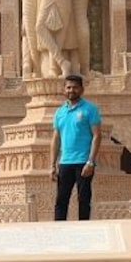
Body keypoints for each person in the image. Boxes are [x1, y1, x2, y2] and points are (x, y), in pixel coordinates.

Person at [49, 74, 101, 220]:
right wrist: (52, 165)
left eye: (75, 87)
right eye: (68, 87)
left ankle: (84, 230)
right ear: (64, 90)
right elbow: (56, 138)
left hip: (83, 161)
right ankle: (59, 231)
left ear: (82, 89)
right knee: (61, 200)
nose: (72, 90)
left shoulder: (90, 109)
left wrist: (91, 161)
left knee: (83, 199)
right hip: (65, 162)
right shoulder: (60, 112)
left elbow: (97, 135)